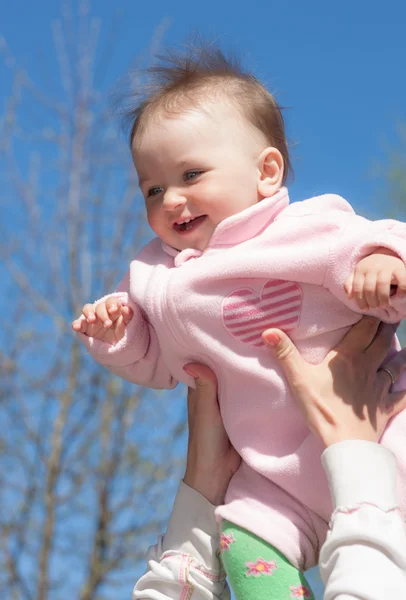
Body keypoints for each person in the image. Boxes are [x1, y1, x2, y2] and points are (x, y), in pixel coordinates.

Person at [72, 43, 406, 597]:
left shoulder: (304, 229)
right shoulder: (155, 275)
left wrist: (380, 265)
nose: (171, 199)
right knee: (242, 537)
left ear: (266, 171)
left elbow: (381, 237)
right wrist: (117, 333)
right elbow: (152, 362)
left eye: (190, 174)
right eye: (152, 188)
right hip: (271, 477)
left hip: (377, 425)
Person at [133, 317, 406, 599]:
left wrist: (202, 493)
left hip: (279, 479)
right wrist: (355, 451)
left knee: (243, 537)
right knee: (247, 541)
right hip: (364, 445)